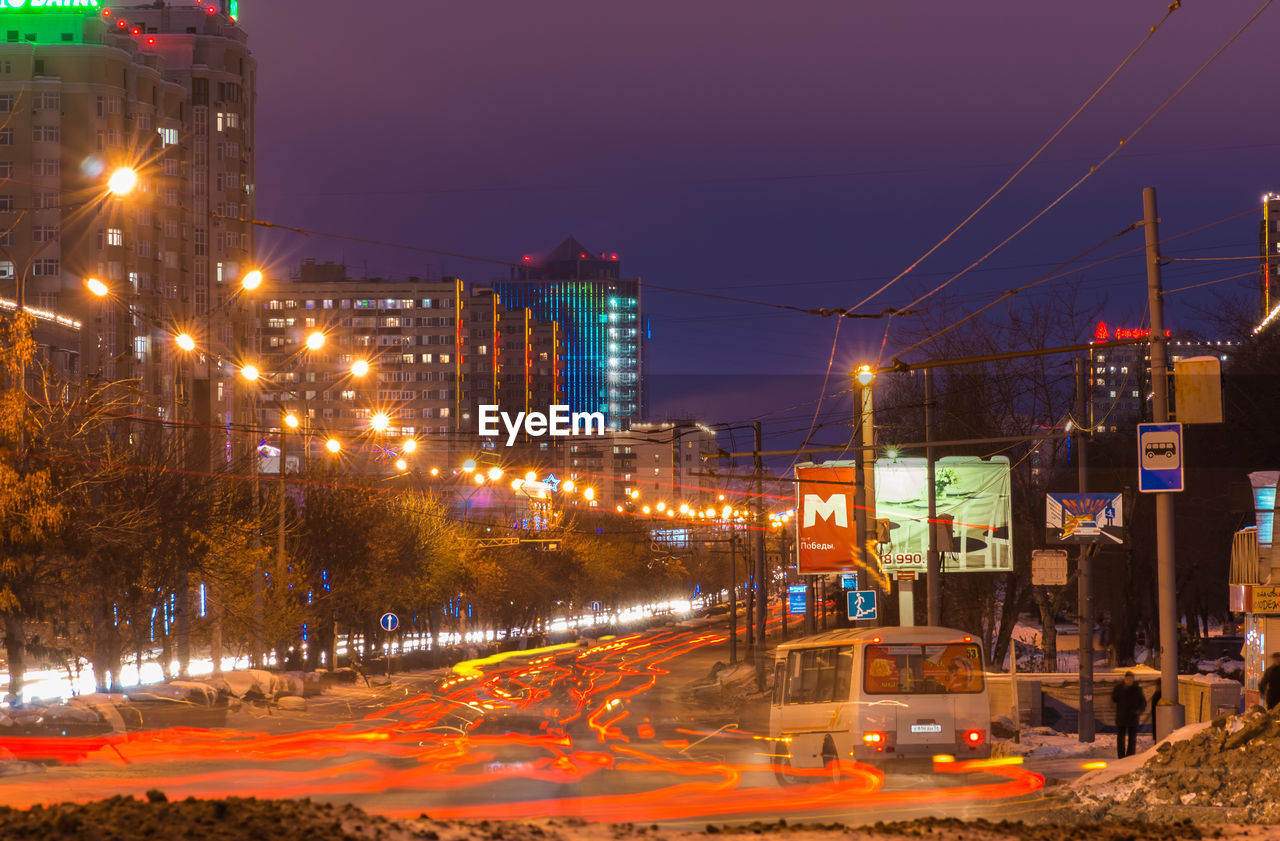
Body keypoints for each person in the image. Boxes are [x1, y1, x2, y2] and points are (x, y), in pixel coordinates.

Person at [1112, 671, 1146, 758]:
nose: (1129, 681)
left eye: (1131, 679)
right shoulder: (1119, 688)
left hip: (1133, 717)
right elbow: (1114, 698)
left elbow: (1143, 703)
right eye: (1127, 679)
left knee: (1132, 738)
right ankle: (1121, 756)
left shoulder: (1137, 689)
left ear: (1133, 680)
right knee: (1121, 738)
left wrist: (1138, 711)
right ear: (1125, 679)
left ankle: (1130, 755)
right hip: (1121, 717)